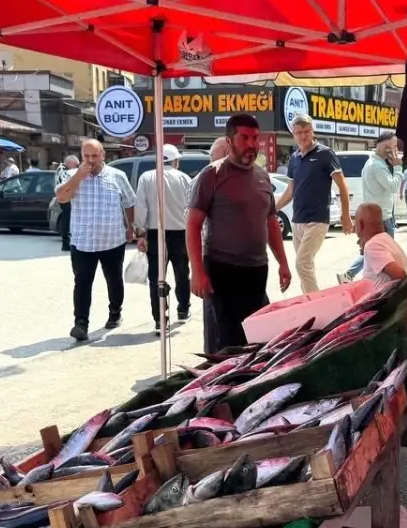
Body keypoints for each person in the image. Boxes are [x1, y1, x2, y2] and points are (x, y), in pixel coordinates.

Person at [188, 114, 292, 353]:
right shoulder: (211, 175)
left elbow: (271, 222)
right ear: (229, 141)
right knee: (224, 343)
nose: (252, 144)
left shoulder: (263, 176)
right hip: (221, 270)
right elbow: (193, 225)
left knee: (256, 338)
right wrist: (197, 271)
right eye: (244, 138)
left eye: (255, 138)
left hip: (257, 270)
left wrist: (283, 263)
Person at [55, 138, 135, 340]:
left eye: (94, 155)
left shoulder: (117, 176)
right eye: (86, 156)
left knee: (114, 280)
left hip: (112, 240)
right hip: (83, 242)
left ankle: (115, 313)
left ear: (103, 155)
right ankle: (81, 323)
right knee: (82, 283)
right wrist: (78, 177)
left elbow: (129, 202)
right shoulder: (72, 175)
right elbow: (61, 198)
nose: (90, 160)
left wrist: (131, 227)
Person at [275, 113, 353, 293]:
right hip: (297, 220)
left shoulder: (325, 154)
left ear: (313, 132)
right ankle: (309, 302)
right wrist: (273, 208)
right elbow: (291, 190)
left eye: (307, 131)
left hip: (317, 220)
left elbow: (342, 186)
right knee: (306, 267)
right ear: (293, 134)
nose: (303, 136)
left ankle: (316, 303)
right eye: (299, 132)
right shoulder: (294, 158)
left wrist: (345, 216)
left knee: (301, 263)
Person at [135, 144, 193, 328]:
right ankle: (183, 309)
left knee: (156, 278)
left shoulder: (146, 177)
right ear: (175, 161)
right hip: (180, 234)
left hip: (154, 233)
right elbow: (191, 209)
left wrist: (140, 233)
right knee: (182, 273)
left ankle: (160, 319)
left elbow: (141, 207)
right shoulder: (184, 178)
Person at [345, 132, 402, 280]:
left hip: (379, 216)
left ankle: (349, 273)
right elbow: (393, 186)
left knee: (375, 252)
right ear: (386, 147)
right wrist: (397, 168)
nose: (395, 150)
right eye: (394, 146)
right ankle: (351, 274)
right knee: (384, 254)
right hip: (382, 218)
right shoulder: (377, 166)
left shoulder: (373, 163)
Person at [355, 203, 407, 286]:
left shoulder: (373, 246)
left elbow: (399, 274)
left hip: (384, 297)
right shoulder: (385, 239)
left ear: (360, 224)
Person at [54, 154, 79, 252]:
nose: (77, 167)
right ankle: (66, 243)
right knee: (67, 219)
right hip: (65, 198)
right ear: (69, 164)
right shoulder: (63, 171)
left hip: (66, 197)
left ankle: (68, 241)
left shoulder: (62, 169)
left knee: (68, 218)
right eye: (76, 165)